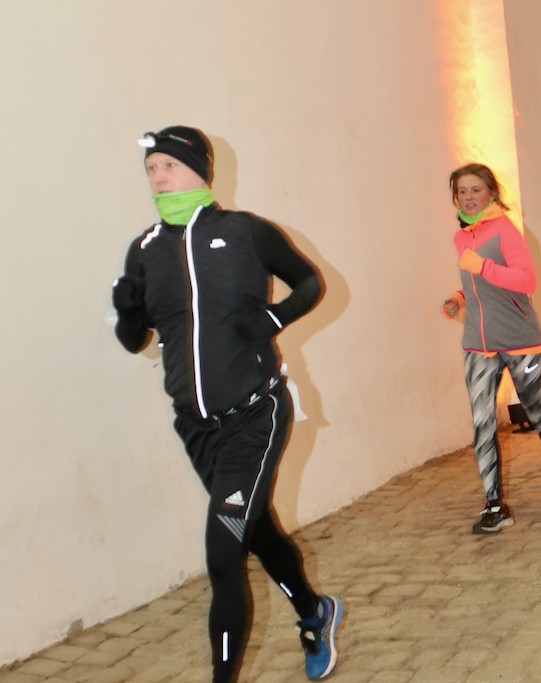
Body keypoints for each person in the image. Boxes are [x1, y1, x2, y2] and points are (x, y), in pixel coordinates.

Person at [111, 126, 341, 682]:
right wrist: (128, 313)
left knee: (222, 553)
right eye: (151, 169)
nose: (158, 176)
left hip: (255, 414)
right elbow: (135, 340)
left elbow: (310, 282)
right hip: (195, 427)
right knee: (253, 529)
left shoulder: (245, 232)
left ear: (200, 169)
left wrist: (273, 319)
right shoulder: (144, 249)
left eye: (168, 165)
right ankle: (315, 613)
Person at [441, 163, 541, 534]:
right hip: (478, 344)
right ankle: (494, 505)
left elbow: (527, 281)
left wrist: (483, 266)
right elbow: (477, 285)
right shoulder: (462, 236)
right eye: (462, 191)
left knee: (536, 413)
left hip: (521, 342)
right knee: (482, 422)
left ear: (491, 193)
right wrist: (458, 297)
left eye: (476, 189)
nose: (469, 197)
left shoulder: (505, 230)